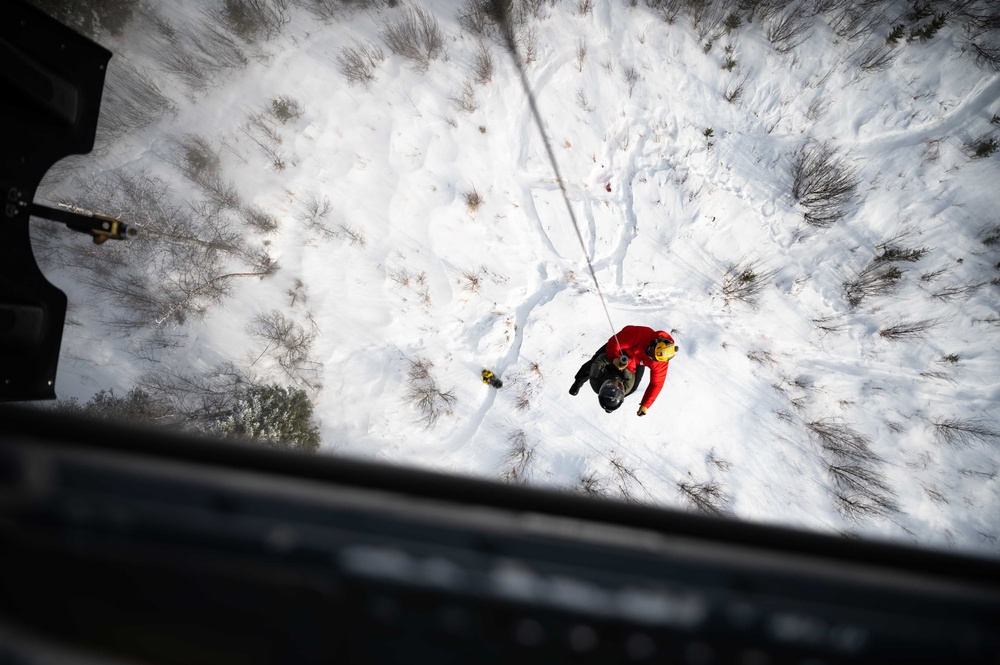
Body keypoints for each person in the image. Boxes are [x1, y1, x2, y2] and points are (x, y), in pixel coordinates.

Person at [570, 326, 677, 417]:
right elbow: (613, 344)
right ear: (656, 342)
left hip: (636, 361)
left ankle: (613, 399)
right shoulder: (639, 334)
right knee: (594, 363)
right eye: (652, 350)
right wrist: (615, 359)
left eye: (653, 357)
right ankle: (578, 381)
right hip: (620, 349)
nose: (650, 354)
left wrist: (645, 404)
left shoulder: (659, 362)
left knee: (633, 386)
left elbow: (656, 383)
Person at [568, 346, 645, 413]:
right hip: (625, 372)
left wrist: (614, 360)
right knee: (635, 384)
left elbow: (599, 361)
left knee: (590, 367)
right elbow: (630, 376)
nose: (614, 382)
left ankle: (578, 383)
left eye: (610, 384)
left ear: (602, 387)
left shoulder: (596, 382)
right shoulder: (627, 388)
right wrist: (625, 368)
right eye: (616, 385)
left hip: (606, 364)